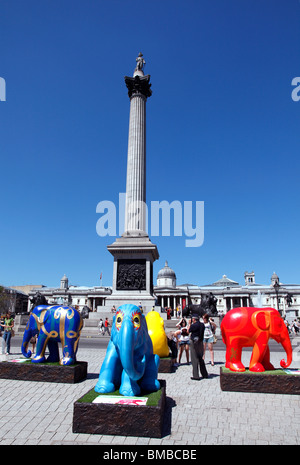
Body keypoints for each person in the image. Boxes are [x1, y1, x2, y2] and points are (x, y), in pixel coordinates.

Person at [187, 314, 208, 380]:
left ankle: (196, 375)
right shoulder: (202, 325)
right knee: (200, 358)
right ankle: (204, 374)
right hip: (200, 342)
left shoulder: (193, 325)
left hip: (194, 342)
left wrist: (189, 324)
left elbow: (188, 331)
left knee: (194, 358)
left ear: (194, 319)